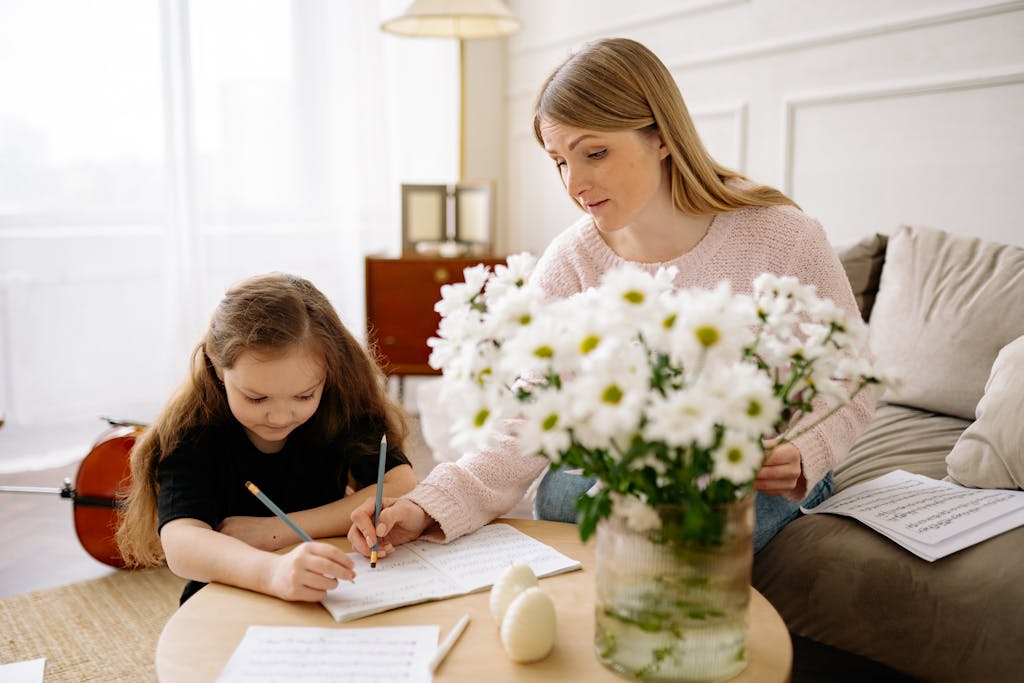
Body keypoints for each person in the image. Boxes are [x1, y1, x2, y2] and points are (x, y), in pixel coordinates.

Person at [349, 37, 875, 560]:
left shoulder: (784, 237)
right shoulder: (572, 259)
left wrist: (802, 451)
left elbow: (850, 377)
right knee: (562, 493)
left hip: (749, 478)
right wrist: (427, 505)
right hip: (632, 471)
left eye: (594, 153)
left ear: (662, 137)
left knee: (699, 510)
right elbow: (526, 419)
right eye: (559, 162)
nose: (574, 183)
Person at [116, 272, 417, 604]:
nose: (280, 417)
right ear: (217, 367)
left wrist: (275, 532)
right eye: (257, 399)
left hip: (330, 586)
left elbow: (401, 485)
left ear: (329, 373)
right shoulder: (193, 428)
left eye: (304, 396)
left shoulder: (339, 404)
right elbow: (182, 543)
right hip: (233, 590)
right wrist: (272, 572)